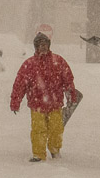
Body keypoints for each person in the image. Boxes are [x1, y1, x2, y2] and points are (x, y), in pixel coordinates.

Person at [10, 32, 78, 162]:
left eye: (45, 44)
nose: (43, 47)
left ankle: (54, 150)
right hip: (37, 106)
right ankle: (39, 154)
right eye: (40, 45)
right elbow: (19, 85)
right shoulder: (29, 64)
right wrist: (15, 102)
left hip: (55, 103)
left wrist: (71, 96)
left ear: (49, 45)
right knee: (38, 130)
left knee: (56, 129)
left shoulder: (58, 61)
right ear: (36, 47)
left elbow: (68, 80)